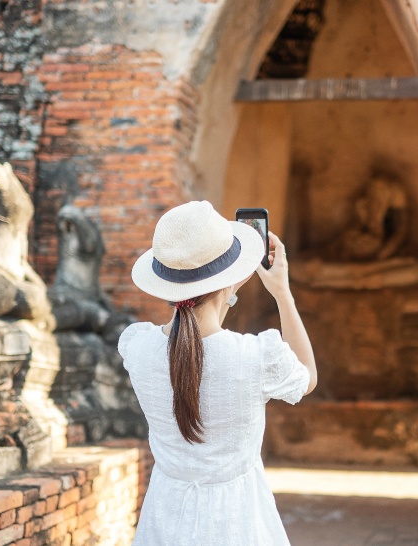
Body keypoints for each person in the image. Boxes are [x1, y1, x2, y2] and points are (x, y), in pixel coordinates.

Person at [119, 200, 318, 545]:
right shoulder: (255, 356)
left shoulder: (136, 348)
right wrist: (282, 292)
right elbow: (307, 377)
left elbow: (194, 334)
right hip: (239, 522)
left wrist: (222, 288)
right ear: (227, 283)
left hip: (164, 521)